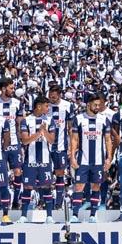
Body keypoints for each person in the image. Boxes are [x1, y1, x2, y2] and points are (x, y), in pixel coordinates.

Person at [69, 93, 113, 222]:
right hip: (83, 159)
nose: (98, 107)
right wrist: (72, 157)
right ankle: (75, 215)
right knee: (78, 187)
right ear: (88, 104)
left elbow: (108, 140)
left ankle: (93, 215)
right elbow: (74, 140)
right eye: (95, 104)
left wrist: (109, 158)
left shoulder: (104, 119)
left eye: (99, 105)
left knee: (96, 187)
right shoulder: (79, 119)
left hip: (98, 160)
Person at [17, 96, 56, 221]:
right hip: (30, 160)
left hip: (45, 160)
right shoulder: (26, 120)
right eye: (46, 106)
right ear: (39, 106)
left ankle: (49, 216)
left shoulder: (50, 120)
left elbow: (52, 140)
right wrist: (39, 133)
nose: (48, 108)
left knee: (47, 187)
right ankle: (23, 216)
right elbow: (25, 140)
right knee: (28, 187)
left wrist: (44, 131)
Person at [46, 85, 76, 214]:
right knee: (45, 175)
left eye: (54, 96)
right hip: (45, 146)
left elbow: (70, 128)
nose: (51, 99)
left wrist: (70, 147)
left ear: (59, 95)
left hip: (61, 146)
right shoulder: (45, 106)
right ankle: (45, 202)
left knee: (60, 173)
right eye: (50, 96)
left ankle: (58, 202)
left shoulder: (67, 106)